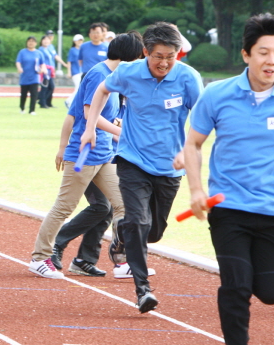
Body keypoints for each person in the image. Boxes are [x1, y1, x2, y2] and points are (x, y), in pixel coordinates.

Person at [183, 13, 274, 345]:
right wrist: (195, 190)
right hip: (229, 209)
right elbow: (192, 144)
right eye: (263, 53)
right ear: (246, 54)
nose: (271, 61)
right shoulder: (218, 94)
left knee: (272, 293)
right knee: (236, 285)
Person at [82, 22, 203, 313]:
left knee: (154, 231)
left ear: (178, 54)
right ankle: (142, 289)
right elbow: (100, 91)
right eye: (158, 56)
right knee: (139, 221)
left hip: (170, 166)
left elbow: (202, 118)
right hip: (132, 160)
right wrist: (90, 128)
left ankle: (124, 234)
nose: (164, 63)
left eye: (170, 57)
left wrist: (188, 150)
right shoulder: (128, 72)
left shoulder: (189, 79)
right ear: (146, 52)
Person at [28, 32, 144, 279]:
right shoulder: (98, 75)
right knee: (64, 206)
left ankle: (122, 260)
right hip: (84, 155)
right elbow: (90, 114)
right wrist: (119, 134)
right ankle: (39, 258)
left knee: (122, 205)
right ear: (127, 56)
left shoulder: (115, 80)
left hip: (105, 156)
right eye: (137, 58)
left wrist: (119, 130)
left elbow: (106, 116)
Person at [16, 36, 44, 115]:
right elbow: (18, 62)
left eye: (33, 41)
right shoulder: (22, 52)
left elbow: (42, 64)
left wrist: (41, 70)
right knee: (23, 94)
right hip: (25, 77)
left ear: (36, 43)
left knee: (34, 94)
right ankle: (22, 108)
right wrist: (19, 68)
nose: (31, 43)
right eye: (29, 41)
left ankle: (32, 110)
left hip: (34, 77)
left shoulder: (38, 53)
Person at [38, 33, 60, 109]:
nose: (46, 41)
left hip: (50, 71)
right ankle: (42, 103)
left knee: (50, 87)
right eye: (44, 40)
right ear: (41, 41)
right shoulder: (40, 49)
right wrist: (43, 69)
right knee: (45, 87)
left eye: (47, 40)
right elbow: (40, 61)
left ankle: (47, 102)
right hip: (45, 71)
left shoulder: (48, 49)